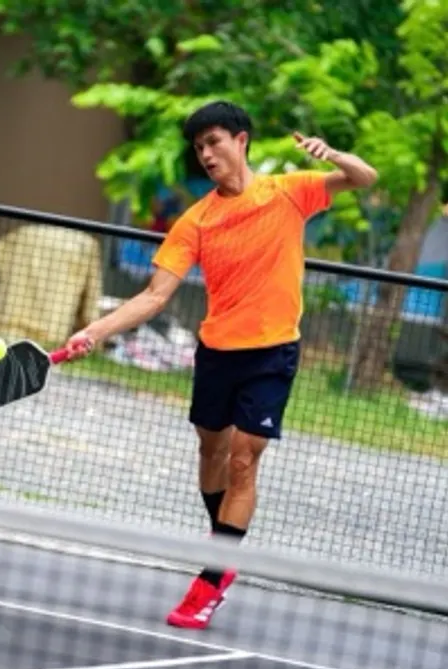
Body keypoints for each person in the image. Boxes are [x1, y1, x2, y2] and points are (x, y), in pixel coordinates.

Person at [64, 101, 378, 630]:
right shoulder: (196, 221)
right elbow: (154, 295)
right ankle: (225, 543)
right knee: (211, 449)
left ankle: (210, 579)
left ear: (241, 141)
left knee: (243, 459)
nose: (207, 154)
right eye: (199, 147)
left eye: (214, 142)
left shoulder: (290, 192)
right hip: (217, 354)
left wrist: (333, 155)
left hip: (273, 352)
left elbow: (365, 178)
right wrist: (94, 331)